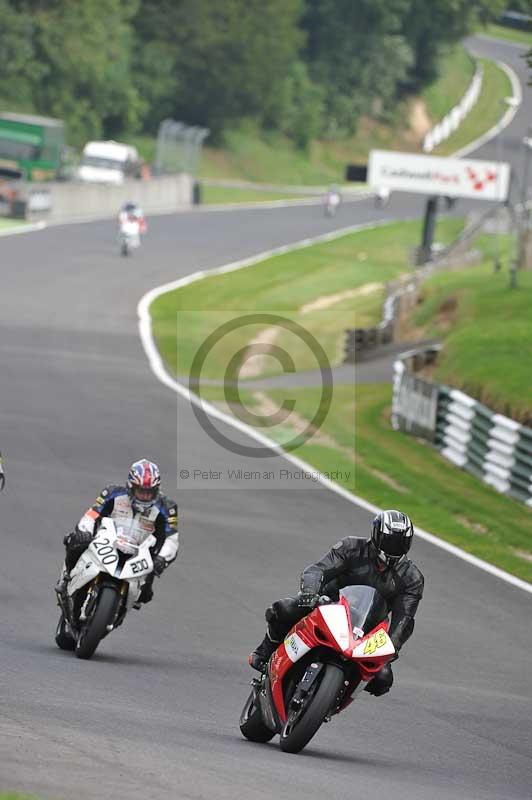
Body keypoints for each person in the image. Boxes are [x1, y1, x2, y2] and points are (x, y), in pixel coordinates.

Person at [248, 509, 424, 697]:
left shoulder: (412, 578)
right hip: (327, 605)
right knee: (283, 610)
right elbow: (317, 570)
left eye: (400, 542)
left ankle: (334, 698)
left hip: (365, 629)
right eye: (390, 541)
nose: (394, 547)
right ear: (376, 535)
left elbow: (404, 618)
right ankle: (265, 651)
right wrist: (310, 594)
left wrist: (391, 647)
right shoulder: (351, 547)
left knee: (383, 679)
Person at [55, 459, 178, 606]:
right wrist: (85, 532)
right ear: (131, 487)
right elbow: (91, 516)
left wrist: (162, 559)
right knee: (76, 540)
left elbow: (172, 539)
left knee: (145, 595)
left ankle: (121, 607)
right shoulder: (112, 493)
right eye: (141, 491)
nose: (145, 496)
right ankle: (66, 579)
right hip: (107, 541)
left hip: (141, 552)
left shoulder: (167, 508)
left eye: (149, 493)